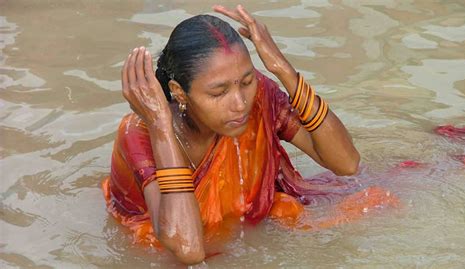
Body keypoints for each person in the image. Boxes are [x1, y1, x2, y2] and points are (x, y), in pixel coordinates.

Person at [102, 5, 361, 265]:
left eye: (247, 82)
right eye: (218, 93)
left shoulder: (259, 95)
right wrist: (160, 125)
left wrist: (282, 68)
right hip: (153, 248)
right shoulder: (140, 131)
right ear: (179, 92)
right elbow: (188, 249)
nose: (240, 103)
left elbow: (346, 164)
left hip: (238, 229)